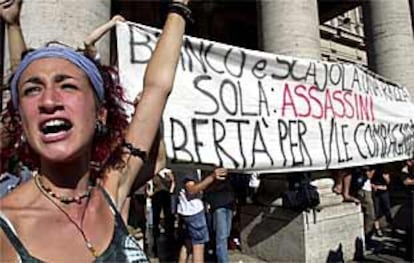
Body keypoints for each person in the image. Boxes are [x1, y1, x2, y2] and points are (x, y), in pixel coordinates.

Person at [0, 0, 191, 262]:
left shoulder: (111, 189)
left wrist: (179, 7)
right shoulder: (5, 229)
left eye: (67, 86)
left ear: (100, 112)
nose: (48, 101)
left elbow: (156, 89)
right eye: (33, 90)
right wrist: (12, 26)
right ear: (21, 119)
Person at [177, 167, 228, 263]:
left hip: (185, 210)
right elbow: (191, 190)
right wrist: (212, 177)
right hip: (194, 211)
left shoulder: (180, 165)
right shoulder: (189, 169)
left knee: (187, 243)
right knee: (198, 246)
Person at [204, 170, 234, 263]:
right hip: (217, 204)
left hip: (229, 203)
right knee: (222, 237)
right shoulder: (211, 170)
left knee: (225, 235)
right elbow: (206, 187)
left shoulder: (229, 169)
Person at [367, 165, 393, 237]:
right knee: (376, 210)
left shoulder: (384, 170)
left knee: (387, 208)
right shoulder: (372, 169)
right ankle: (377, 228)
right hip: (375, 191)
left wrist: (386, 177)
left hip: (384, 190)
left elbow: (388, 182)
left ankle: (390, 225)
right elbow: (369, 178)